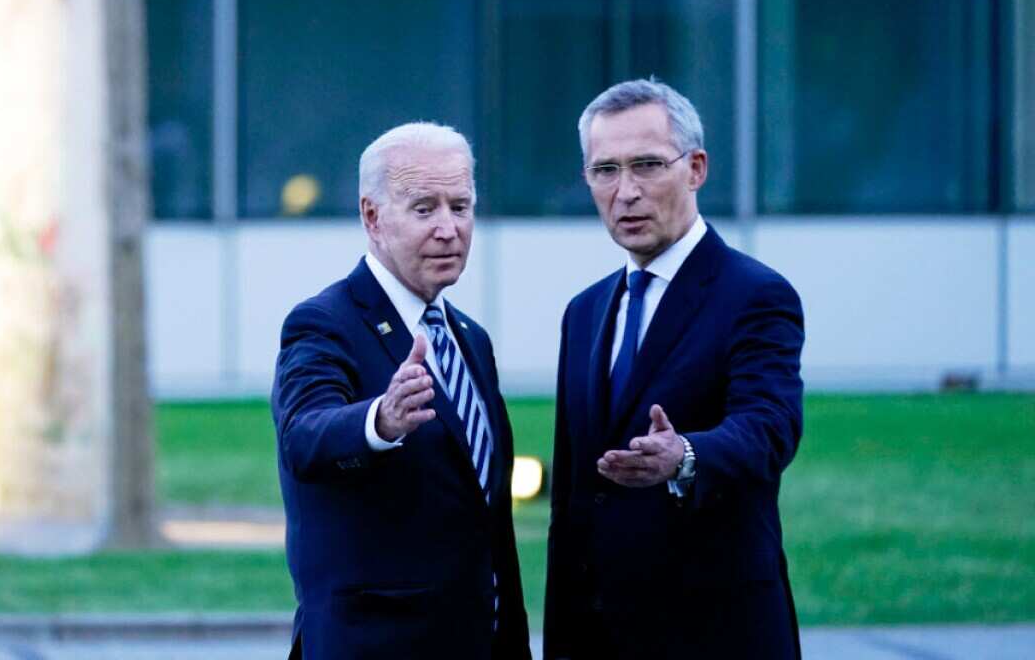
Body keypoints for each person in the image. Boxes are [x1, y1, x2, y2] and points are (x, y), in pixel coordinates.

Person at [544, 79, 805, 659]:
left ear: (696, 169)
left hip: (715, 632)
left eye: (646, 166)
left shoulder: (756, 295)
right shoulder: (584, 312)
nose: (625, 192)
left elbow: (769, 426)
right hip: (600, 637)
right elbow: (573, 501)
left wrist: (686, 456)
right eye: (604, 170)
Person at [272, 122, 531, 659]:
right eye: (424, 208)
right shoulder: (324, 323)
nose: (448, 229)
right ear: (372, 217)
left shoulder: (471, 341)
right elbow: (305, 435)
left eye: (460, 207)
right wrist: (379, 421)